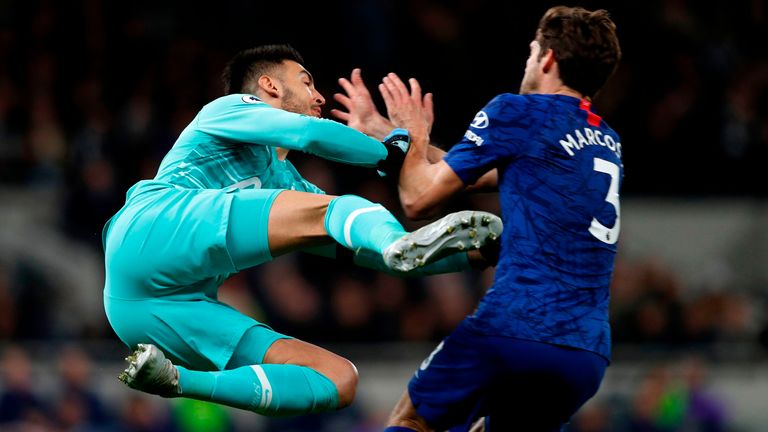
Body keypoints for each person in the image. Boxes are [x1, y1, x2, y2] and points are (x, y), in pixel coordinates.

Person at [103, 44, 502, 418]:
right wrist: (394, 151)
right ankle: (401, 238)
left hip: (148, 310)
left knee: (337, 378)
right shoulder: (227, 109)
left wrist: (477, 253)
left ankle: (174, 380)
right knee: (344, 209)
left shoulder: (293, 190)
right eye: (307, 81)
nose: (320, 97)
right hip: (148, 228)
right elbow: (308, 134)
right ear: (270, 85)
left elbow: (364, 252)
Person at [342, 6, 622, 431]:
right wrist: (386, 133)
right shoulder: (606, 140)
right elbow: (466, 175)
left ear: (548, 59)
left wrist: (411, 132)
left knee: (412, 419)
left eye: (532, 51)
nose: (528, 61)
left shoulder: (518, 111)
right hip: (586, 353)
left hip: (514, 325)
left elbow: (418, 199)